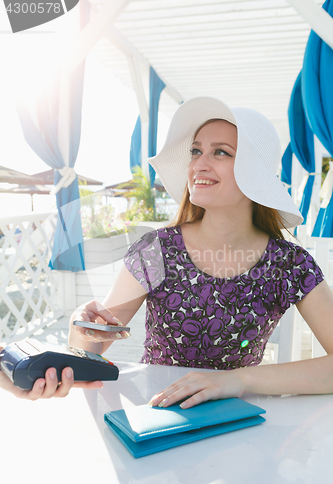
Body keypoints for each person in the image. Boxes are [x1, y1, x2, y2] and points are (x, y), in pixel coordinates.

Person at [1, 96, 333, 404]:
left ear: (256, 173)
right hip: (157, 408)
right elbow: (95, 346)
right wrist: (81, 328)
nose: (198, 164)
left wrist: (239, 380)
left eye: (220, 152)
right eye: (195, 151)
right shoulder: (157, 249)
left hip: (237, 416)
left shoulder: (291, 264)